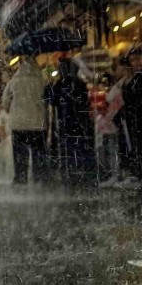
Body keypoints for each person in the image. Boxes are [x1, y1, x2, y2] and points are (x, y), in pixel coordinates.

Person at [47, 58, 97, 188]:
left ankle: (69, 175)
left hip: (65, 123)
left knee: (67, 151)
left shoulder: (58, 85)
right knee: (79, 149)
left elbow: (52, 102)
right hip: (78, 123)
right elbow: (85, 102)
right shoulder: (79, 84)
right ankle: (81, 174)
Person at [2, 56, 47, 185]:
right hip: (38, 124)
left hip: (18, 124)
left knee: (20, 155)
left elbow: (5, 102)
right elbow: (46, 98)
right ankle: (39, 179)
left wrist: (13, 110)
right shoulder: (40, 81)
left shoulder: (13, 82)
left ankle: (21, 179)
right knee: (38, 154)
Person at [119, 46, 142, 184]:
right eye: (132, 61)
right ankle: (139, 173)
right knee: (135, 145)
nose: (135, 63)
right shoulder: (134, 77)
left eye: (137, 59)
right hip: (133, 117)